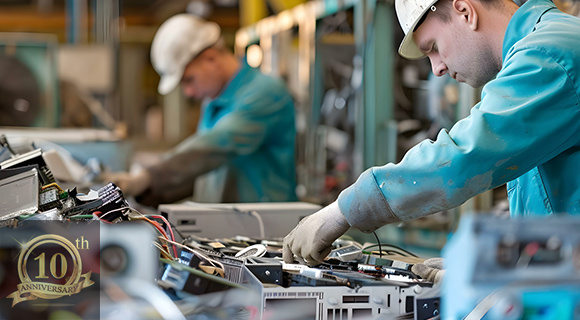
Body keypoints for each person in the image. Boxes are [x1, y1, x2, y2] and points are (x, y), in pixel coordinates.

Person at [283, 0, 580, 270]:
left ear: (465, 11)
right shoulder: (546, 48)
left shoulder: (550, 54)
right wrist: (495, 262)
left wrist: (343, 211)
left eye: (433, 46)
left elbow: (463, 155)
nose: (436, 68)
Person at [107, 14, 297, 206]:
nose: (188, 92)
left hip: (267, 227)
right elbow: (205, 169)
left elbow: (216, 147)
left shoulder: (265, 93)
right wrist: (151, 191)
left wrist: (149, 177)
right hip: (226, 222)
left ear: (211, 58)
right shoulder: (213, 101)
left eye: (189, 80)